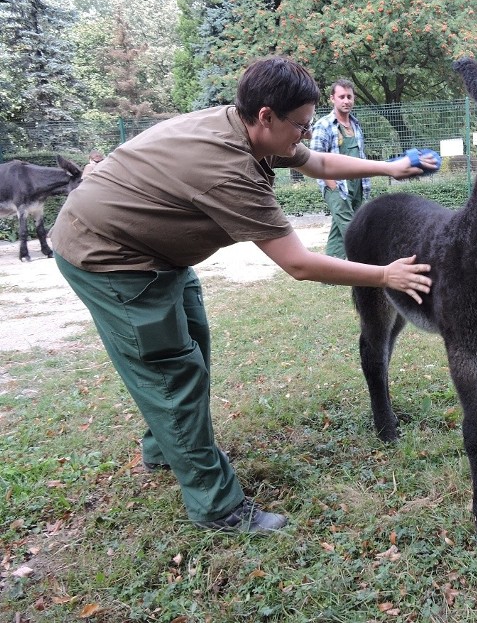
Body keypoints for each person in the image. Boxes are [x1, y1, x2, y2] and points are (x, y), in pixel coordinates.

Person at [50, 56, 436, 535]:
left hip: (154, 252)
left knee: (193, 342)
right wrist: (384, 275)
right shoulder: (231, 171)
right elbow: (297, 263)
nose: (305, 133)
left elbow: (315, 161)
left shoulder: (247, 127)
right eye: (299, 125)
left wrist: (391, 167)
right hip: (110, 254)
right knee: (172, 372)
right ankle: (217, 506)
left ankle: (164, 448)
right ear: (266, 116)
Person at [309, 79, 368, 259]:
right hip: (335, 185)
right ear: (332, 99)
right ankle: (365, 265)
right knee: (351, 227)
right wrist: (332, 186)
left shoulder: (356, 125)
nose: (346, 100)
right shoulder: (324, 125)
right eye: (341, 96)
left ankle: (330, 272)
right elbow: (314, 159)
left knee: (339, 226)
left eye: (349, 96)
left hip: (357, 185)